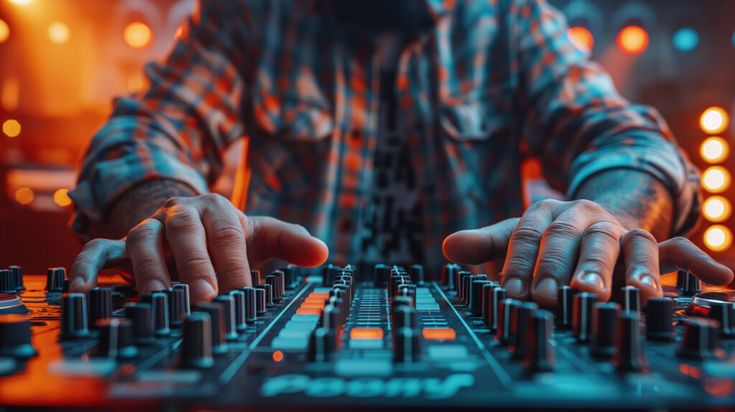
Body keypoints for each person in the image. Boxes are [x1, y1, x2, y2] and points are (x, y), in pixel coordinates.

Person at [67, 0, 733, 307]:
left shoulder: (510, 19)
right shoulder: (252, 13)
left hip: (483, 315)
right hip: (278, 325)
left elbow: (629, 142)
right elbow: (143, 134)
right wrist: (175, 212)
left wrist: (609, 213)